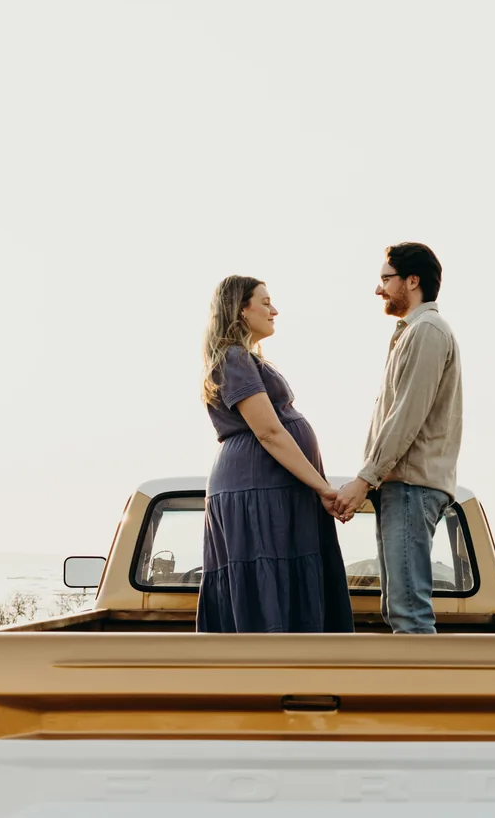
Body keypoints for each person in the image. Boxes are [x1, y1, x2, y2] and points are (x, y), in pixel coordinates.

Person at [196, 274, 354, 634]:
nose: (275, 310)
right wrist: (324, 489)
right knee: (269, 583)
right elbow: (268, 432)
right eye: (265, 302)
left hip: (273, 486)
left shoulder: (244, 358)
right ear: (240, 308)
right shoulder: (233, 358)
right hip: (259, 487)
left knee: (284, 582)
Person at [330, 243, 462, 635]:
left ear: (413, 280)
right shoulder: (412, 332)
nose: (379, 289)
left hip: (411, 485)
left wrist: (365, 477)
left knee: (408, 613)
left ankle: (424, 696)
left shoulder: (428, 331)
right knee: (398, 608)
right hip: (400, 485)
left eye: (385, 279)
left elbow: (406, 416)